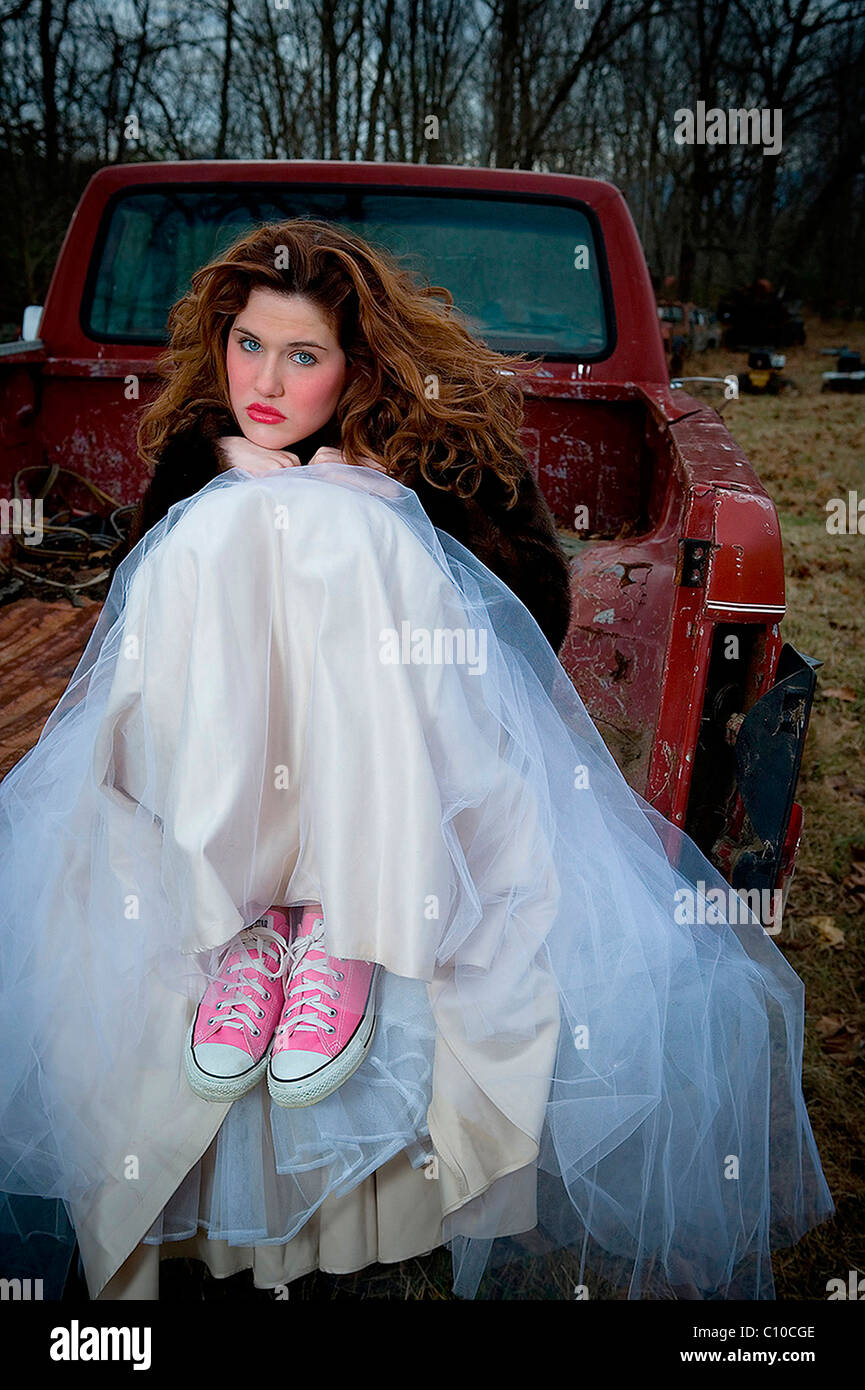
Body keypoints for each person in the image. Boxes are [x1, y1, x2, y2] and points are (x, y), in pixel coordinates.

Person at [0, 219, 834, 1302]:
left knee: (344, 535)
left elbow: (526, 601)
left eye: (303, 356)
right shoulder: (201, 450)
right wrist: (247, 492)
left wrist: (363, 500)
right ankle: (254, 921)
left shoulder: (427, 449)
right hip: (218, 763)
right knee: (221, 531)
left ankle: (342, 918)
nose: (265, 378)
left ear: (355, 368)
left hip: (390, 754)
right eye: (249, 345)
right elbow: (146, 634)